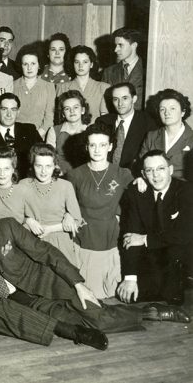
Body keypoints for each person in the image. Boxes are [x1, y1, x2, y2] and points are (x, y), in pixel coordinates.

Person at [0, 198, 188, 351]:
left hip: (49, 283)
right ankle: (92, 330)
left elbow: (46, 252)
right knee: (74, 324)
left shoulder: (6, 227)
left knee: (98, 316)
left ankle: (152, 312)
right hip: (22, 302)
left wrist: (77, 283)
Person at [68, 123, 134, 299]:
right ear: (86, 146)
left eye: (103, 145)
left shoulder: (123, 174)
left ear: (111, 146)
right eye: (92, 145)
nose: (97, 150)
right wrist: (68, 214)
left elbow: (135, 206)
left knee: (111, 296)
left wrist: (142, 182)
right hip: (84, 240)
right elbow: (65, 203)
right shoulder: (75, 175)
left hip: (111, 240)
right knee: (88, 296)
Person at [118, 150, 193, 305]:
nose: (155, 175)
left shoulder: (186, 191)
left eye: (161, 169)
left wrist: (145, 239)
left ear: (170, 170)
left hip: (184, 261)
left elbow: (183, 235)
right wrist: (130, 278)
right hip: (153, 262)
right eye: (150, 170)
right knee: (133, 299)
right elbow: (130, 238)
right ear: (143, 174)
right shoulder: (136, 192)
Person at [18, 143, 84, 267]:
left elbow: (77, 222)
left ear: (55, 166)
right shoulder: (23, 185)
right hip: (32, 242)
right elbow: (13, 215)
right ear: (32, 165)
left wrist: (58, 224)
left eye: (48, 166)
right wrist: (28, 220)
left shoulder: (65, 186)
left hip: (60, 244)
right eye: (39, 166)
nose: (43, 171)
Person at [95, 82, 156, 171]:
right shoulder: (103, 121)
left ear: (134, 99)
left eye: (125, 98)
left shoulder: (148, 123)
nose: (120, 103)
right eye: (116, 99)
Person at [138, 88, 193, 180]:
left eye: (172, 108)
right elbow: (141, 165)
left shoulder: (191, 138)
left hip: (184, 189)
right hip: (153, 186)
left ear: (183, 112)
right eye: (162, 109)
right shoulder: (151, 136)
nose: (167, 113)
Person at [0, 93, 42, 178]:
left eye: (13, 109)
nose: (9, 114)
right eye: (4, 109)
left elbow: (43, 157)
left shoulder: (30, 130)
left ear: (18, 112)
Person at [56, 45, 109, 123]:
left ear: (91, 64)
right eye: (77, 62)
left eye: (85, 62)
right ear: (73, 64)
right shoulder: (62, 87)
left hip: (95, 132)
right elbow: (59, 118)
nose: (80, 65)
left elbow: (105, 120)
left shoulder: (103, 88)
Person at [45, 90, 90, 175]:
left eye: (76, 107)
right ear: (62, 113)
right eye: (67, 108)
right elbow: (49, 158)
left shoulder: (89, 131)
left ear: (83, 110)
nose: (72, 111)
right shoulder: (54, 131)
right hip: (61, 175)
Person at [13, 49, 56, 138]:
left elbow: (49, 118)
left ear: (39, 65)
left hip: (39, 137)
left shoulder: (49, 86)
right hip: (15, 136)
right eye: (25, 64)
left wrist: (35, 136)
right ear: (21, 66)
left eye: (33, 63)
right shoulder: (12, 85)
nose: (29, 68)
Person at [102, 27, 145, 109]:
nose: (115, 50)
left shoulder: (148, 71)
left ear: (134, 46)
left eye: (120, 45)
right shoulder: (108, 72)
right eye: (115, 45)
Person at [0, 147, 26, 222]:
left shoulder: (23, 190)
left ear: (13, 169)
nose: (2, 173)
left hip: (19, 232)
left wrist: (28, 220)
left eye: (6, 168)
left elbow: (30, 216)